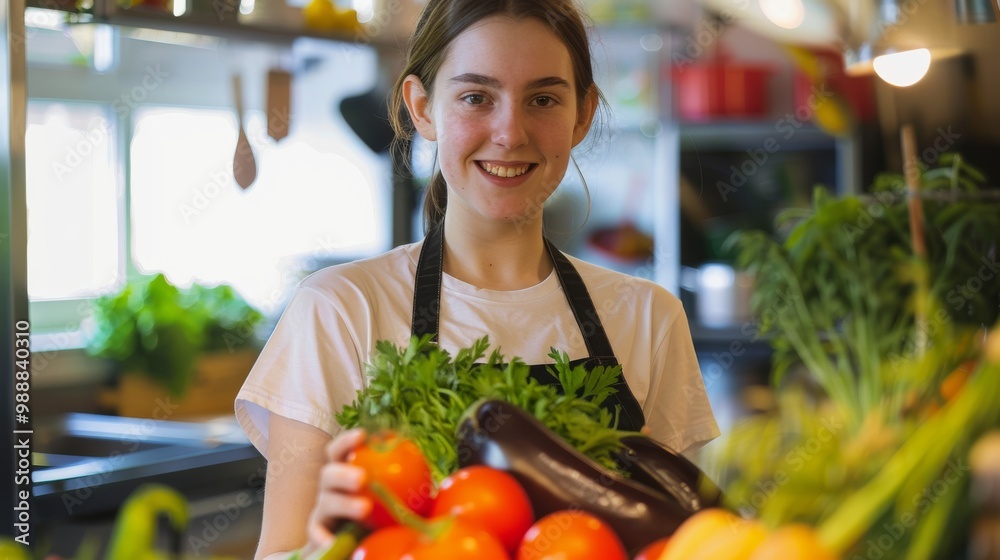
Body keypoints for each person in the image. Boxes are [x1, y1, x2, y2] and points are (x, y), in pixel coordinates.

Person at [235, 0, 720, 557]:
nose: (510, 132)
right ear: (422, 107)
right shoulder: (340, 310)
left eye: (543, 99)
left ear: (582, 114)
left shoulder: (649, 317)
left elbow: (693, 544)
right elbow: (281, 551)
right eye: (475, 97)